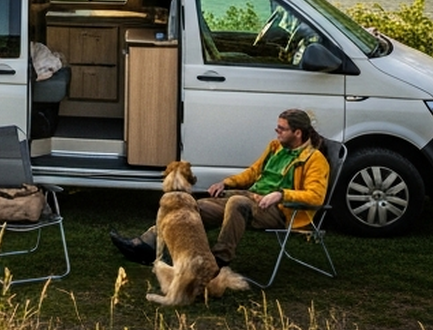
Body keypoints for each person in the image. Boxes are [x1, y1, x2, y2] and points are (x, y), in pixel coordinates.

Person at [110, 108, 330, 267]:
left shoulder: (314, 159)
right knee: (196, 206)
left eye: (282, 129)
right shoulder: (276, 148)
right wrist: (227, 183)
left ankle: (218, 261)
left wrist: (280, 194)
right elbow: (253, 172)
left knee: (236, 202)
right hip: (252, 198)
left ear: (298, 133)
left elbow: (316, 196)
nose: (277, 133)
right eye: (277, 128)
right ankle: (149, 244)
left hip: (281, 211)